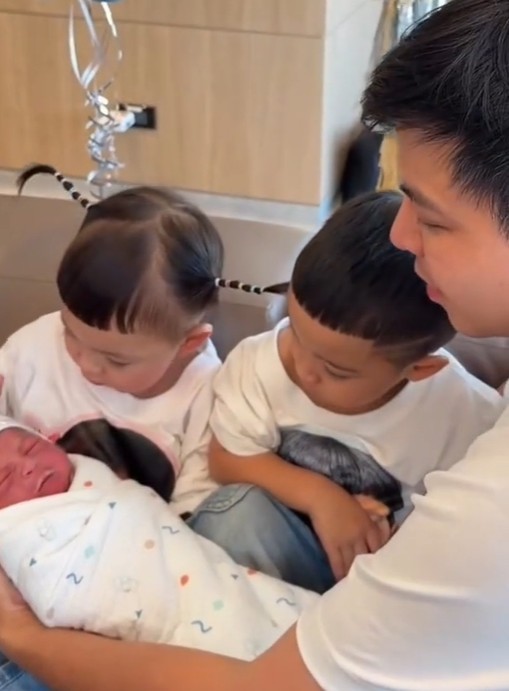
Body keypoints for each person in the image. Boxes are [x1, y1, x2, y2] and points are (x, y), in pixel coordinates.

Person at [2, 0, 509, 687]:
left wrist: (23, 638)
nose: (402, 234)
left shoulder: (476, 453)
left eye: (433, 219)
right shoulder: (256, 365)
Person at [192, 191, 504, 593]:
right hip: (278, 554)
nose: (303, 367)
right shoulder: (259, 361)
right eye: (295, 331)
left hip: (379, 580)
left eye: (335, 370)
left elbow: (463, 531)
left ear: (419, 370)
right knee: (232, 519)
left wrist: (383, 537)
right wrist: (324, 499)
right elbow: (226, 459)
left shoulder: (465, 416)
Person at [3, 164, 266, 517]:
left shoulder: (208, 400)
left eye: (116, 360)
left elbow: (192, 517)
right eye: (71, 333)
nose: (86, 365)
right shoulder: (35, 346)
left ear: (188, 343)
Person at [0, 418, 316, 663]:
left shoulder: (90, 473)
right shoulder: (18, 533)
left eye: (30, 448)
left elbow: (143, 518)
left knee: (247, 607)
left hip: (190, 569)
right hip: (125, 634)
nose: (28, 467)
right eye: (4, 478)